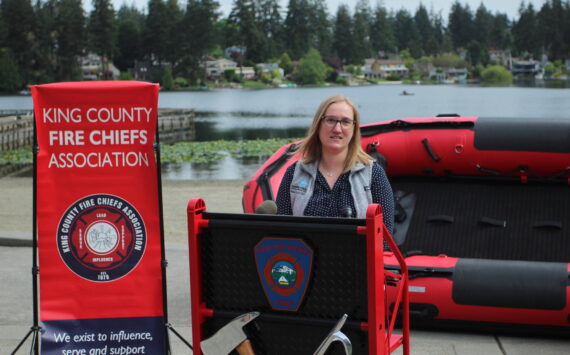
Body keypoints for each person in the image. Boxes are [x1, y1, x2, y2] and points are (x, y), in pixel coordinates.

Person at [275, 94, 394, 233]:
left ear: (354, 130)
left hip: (358, 254)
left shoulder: (373, 174)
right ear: (318, 125)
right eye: (331, 120)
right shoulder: (294, 173)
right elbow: (282, 231)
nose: (337, 129)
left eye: (345, 122)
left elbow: (385, 238)